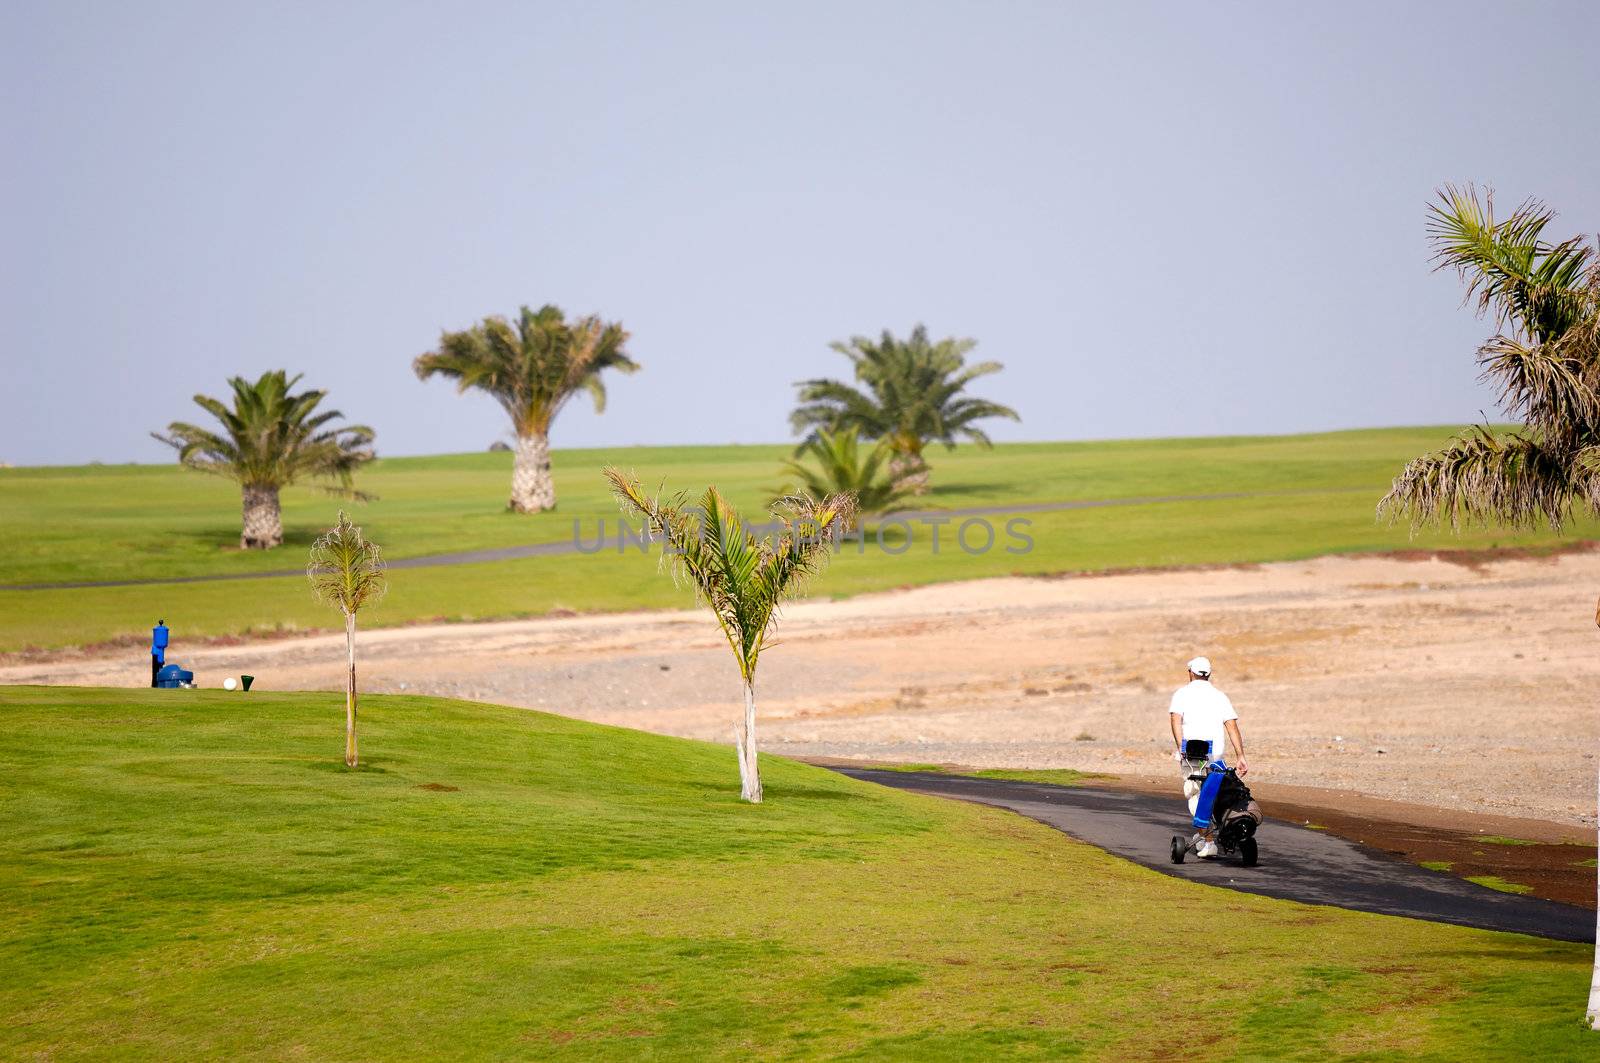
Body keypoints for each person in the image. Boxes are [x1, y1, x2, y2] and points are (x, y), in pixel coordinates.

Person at [1168, 655, 1247, 858]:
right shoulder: (1220, 696)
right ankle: (1207, 835)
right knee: (1212, 790)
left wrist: (1180, 747)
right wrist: (1241, 756)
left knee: (1195, 794)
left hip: (1193, 754)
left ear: (1190, 673)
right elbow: (1232, 726)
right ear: (1208, 674)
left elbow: (1175, 721)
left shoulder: (1182, 694)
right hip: (1216, 755)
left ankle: (1209, 841)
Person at [151, 619, 169, 688]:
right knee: (157, 667)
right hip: (157, 651)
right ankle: (155, 684)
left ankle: (156, 684)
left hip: (158, 649)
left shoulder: (159, 647)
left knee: (159, 665)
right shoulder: (156, 648)